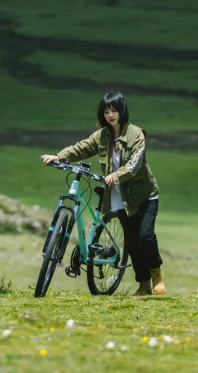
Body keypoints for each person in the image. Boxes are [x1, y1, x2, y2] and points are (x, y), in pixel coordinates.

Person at [41, 88, 166, 296]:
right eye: (107, 111)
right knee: (132, 241)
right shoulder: (102, 136)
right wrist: (58, 156)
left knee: (146, 236)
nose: (110, 115)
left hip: (144, 194)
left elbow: (134, 165)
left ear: (122, 111)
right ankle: (143, 285)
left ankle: (156, 275)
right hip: (120, 197)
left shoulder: (136, 135)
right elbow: (81, 148)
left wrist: (116, 176)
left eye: (114, 110)